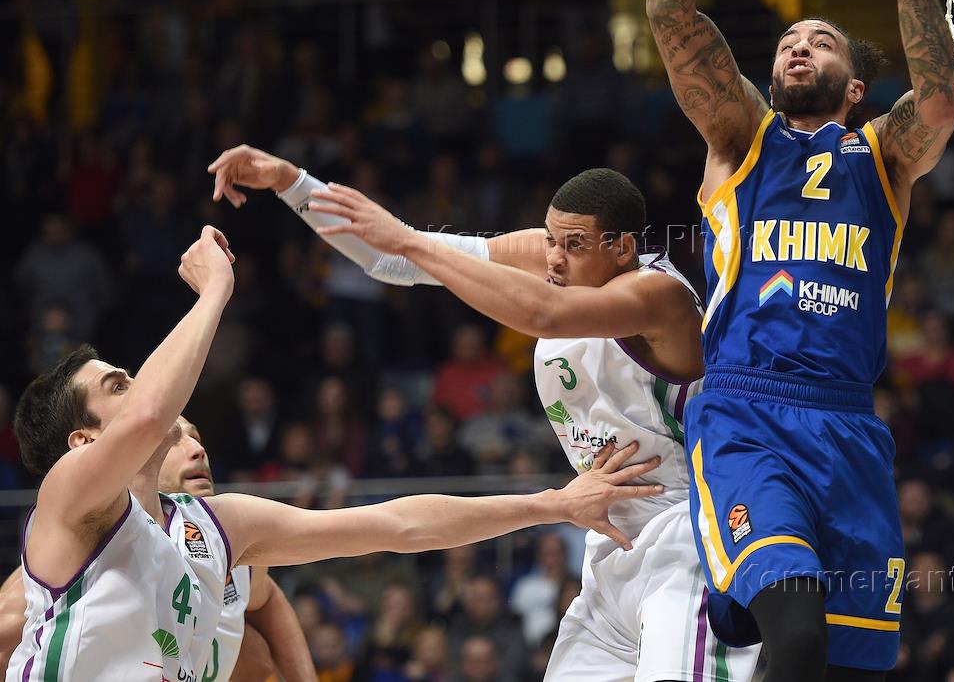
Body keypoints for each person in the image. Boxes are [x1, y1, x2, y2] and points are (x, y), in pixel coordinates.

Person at [6, 226, 664, 680]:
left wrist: (553, 504)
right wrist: (214, 291)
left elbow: (398, 525)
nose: (140, 390)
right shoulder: (69, 504)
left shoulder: (215, 526)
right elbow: (150, 413)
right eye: (116, 385)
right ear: (82, 443)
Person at [207, 144, 762, 680]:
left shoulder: (658, 295)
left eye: (573, 245)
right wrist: (290, 181)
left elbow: (544, 315)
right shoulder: (559, 262)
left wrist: (411, 240)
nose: (553, 257)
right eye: (550, 239)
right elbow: (391, 259)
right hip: (607, 536)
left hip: (686, 531)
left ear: (622, 248)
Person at [645, 0, 954, 681]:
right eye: (788, 41)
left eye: (819, 41)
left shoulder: (882, 155)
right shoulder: (741, 136)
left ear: (854, 86)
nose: (797, 46)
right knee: (794, 631)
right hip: (747, 412)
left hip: (850, 420)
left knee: (850, 664)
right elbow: (670, 13)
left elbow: (940, 100)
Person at [0, 415, 317, 681]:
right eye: (175, 439)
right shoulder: (73, 570)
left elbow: (267, 600)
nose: (198, 450)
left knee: (255, 655)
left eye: (197, 438)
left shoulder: (226, 541)